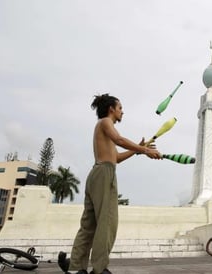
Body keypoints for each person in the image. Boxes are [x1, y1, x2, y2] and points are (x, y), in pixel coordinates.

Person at [58, 94, 162, 274]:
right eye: (120, 107)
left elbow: (117, 158)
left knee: (88, 225)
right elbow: (119, 140)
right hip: (104, 173)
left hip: (97, 173)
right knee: (107, 222)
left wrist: (136, 150)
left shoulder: (104, 128)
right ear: (111, 109)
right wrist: (144, 150)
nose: (123, 111)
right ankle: (99, 269)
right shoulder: (106, 122)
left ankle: (76, 267)